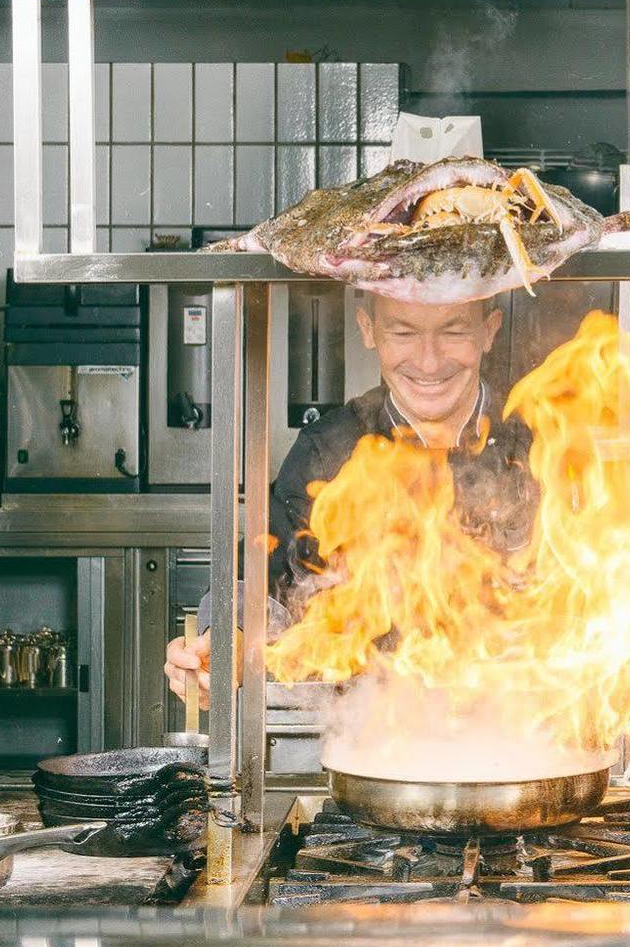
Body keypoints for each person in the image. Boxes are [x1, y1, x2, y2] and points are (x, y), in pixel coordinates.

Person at [163, 292, 535, 704]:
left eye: (454, 330)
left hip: (518, 732)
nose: (429, 361)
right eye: (403, 332)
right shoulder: (328, 450)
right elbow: (260, 580)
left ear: (490, 330)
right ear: (367, 329)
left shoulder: (547, 446)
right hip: (360, 737)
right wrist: (226, 644)